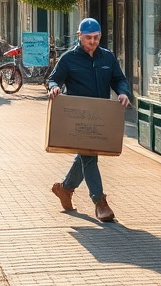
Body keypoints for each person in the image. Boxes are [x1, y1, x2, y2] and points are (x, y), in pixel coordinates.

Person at [47, 17, 131, 223]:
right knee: (89, 156)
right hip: (78, 117)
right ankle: (100, 202)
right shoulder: (68, 58)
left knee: (86, 154)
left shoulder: (107, 57)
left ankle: (65, 188)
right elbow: (53, 78)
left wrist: (123, 92)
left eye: (96, 37)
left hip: (100, 115)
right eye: (88, 38)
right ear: (79, 36)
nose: (92, 41)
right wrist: (54, 88)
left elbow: (119, 79)